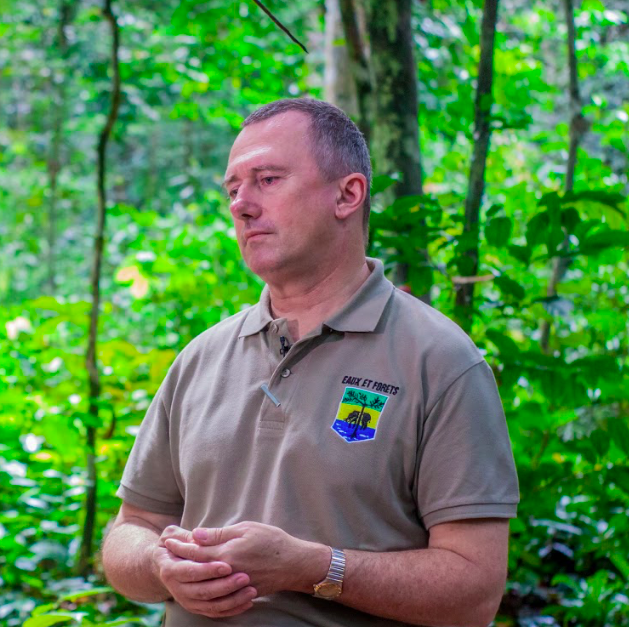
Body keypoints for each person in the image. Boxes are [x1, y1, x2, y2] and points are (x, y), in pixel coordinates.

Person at [101, 98, 519, 627]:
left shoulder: (440, 360)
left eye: (268, 180)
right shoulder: (201, 358)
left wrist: (315, 569)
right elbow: (129, 530)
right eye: (233, 189)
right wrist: (159, 564)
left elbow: (475, 592)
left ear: (348, 195)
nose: (241, 205)